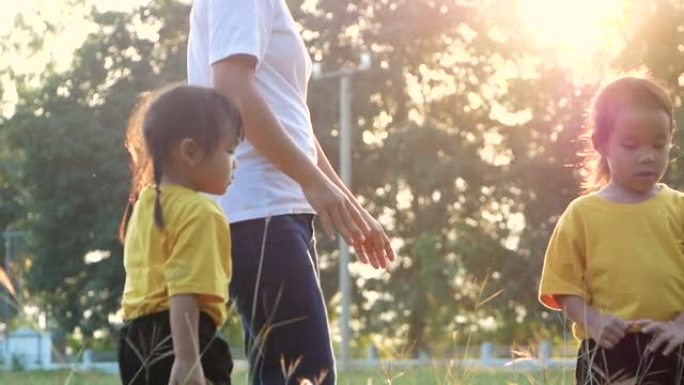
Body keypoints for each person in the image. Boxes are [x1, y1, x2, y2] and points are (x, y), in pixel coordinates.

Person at [187, 1, 395, 384]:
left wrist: (347, 204)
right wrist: (312, 182)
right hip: (259, 206)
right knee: (303, 374)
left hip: (272, 208)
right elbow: (232, 91)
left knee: (287, 371)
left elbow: (290, 120)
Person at [539, 76, 684, 384]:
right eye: (631, 145)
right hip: (606, 351)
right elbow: (562, 285)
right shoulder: (582, 214)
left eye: (659, 145)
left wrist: (680, 327)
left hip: (673, 345)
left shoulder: (679, 208)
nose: (647, 155)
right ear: (600, 144)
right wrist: (592, 321)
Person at [117, 85, 243, 385]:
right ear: (190, 151)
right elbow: (183, 291)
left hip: (134, 340)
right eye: (229, 151)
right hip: (182, 339)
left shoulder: (146, 203)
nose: (234, 163)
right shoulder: (200, 213)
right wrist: (187, 360)